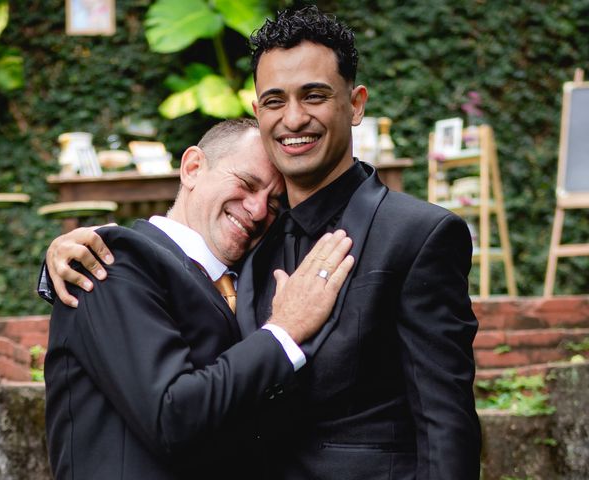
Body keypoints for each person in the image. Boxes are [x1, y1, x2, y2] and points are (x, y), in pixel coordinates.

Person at [44, 6, 482, 479]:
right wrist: (59, 261)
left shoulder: (418, 234)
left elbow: (446, 427)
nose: (294, 118)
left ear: (355, 104)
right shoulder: (252, 245)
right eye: (275, 100)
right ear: (258, 110)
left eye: (313, 95)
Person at [42, 118, 355, 479]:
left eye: (273, 203)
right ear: (192, 168)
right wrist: (284, 331)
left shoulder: (255, 279)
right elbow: (172, 416)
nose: (257, 211)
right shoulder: (111, 260)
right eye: (246, 184)